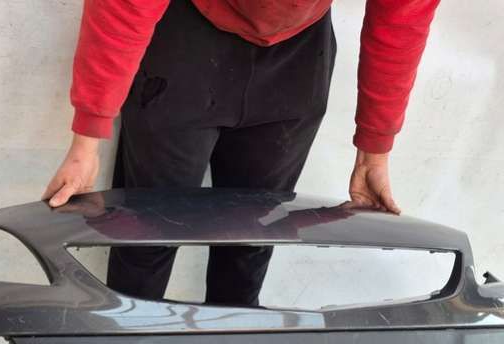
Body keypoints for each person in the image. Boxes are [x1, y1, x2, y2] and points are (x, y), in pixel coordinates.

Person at [42, 0, 440, 305]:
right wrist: (87, 138)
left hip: (298, 53)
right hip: (187, 38)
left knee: (255, 236)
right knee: (147, 234)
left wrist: (374, 151)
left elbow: (403, 14)